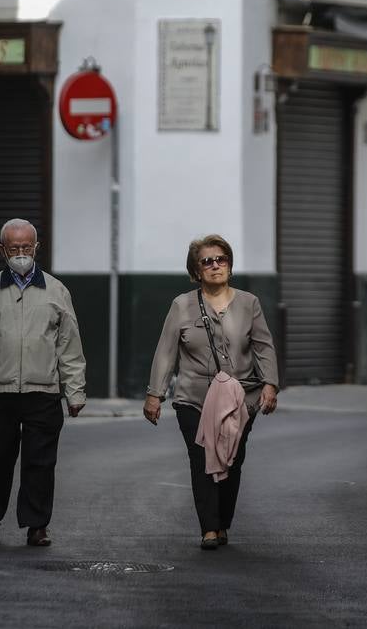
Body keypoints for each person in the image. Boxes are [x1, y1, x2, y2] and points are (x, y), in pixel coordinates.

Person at [144, 234, 280, 550]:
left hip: (240, 399)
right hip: (194, 398)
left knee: (233, 459)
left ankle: (223, 521)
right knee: (201, 458)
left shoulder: (249, 303)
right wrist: (155, 394)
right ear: (196, 270)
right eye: (207, 261)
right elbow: (166, 352)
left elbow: (263, 347)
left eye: (221, 259)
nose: (215, 265)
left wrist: (270, 385)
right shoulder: (181, 305)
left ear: (229, 265)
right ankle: (209, 527)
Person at [0, 218, 87, 547]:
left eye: (26, 247)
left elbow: (69, 347)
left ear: (36, 248)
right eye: (14, 248)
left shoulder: (57, 291)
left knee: (40, 462)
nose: (20, 253)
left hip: (42, 393)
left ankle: (37, 525)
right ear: (2, 250)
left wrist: (74, 391)